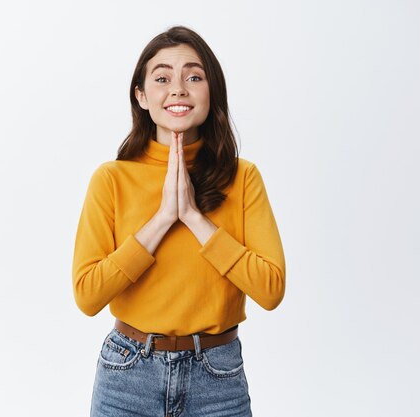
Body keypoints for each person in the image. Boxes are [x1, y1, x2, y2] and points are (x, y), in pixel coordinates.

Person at [72, 25, 287, 417]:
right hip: (128, 375)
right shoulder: (112, 179)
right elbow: (87, 295)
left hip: (217, 377)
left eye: (194, 76)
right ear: (141, 95)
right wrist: (161, 220)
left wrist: (192, 217)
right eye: (162, 78)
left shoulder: (243, 177)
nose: (178, 89)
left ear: (212, 91)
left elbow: (271, 290)